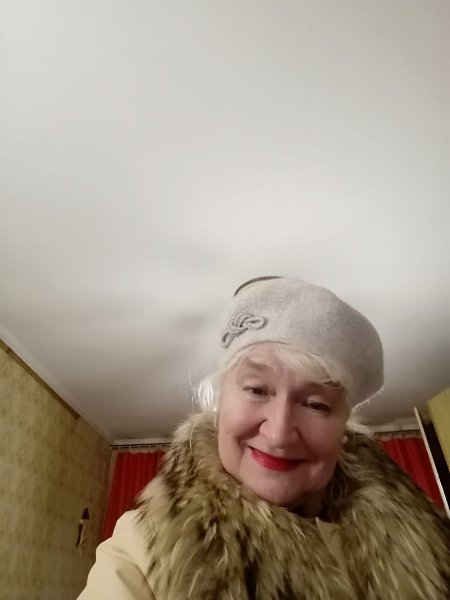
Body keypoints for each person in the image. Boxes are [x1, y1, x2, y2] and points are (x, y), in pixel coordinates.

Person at [78, 276, 450, 599]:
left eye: (316, 404)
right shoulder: (145, 547)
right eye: (257, 390)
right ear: (220, 404)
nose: (278, 433)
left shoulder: (432, 544)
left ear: (344, 427)